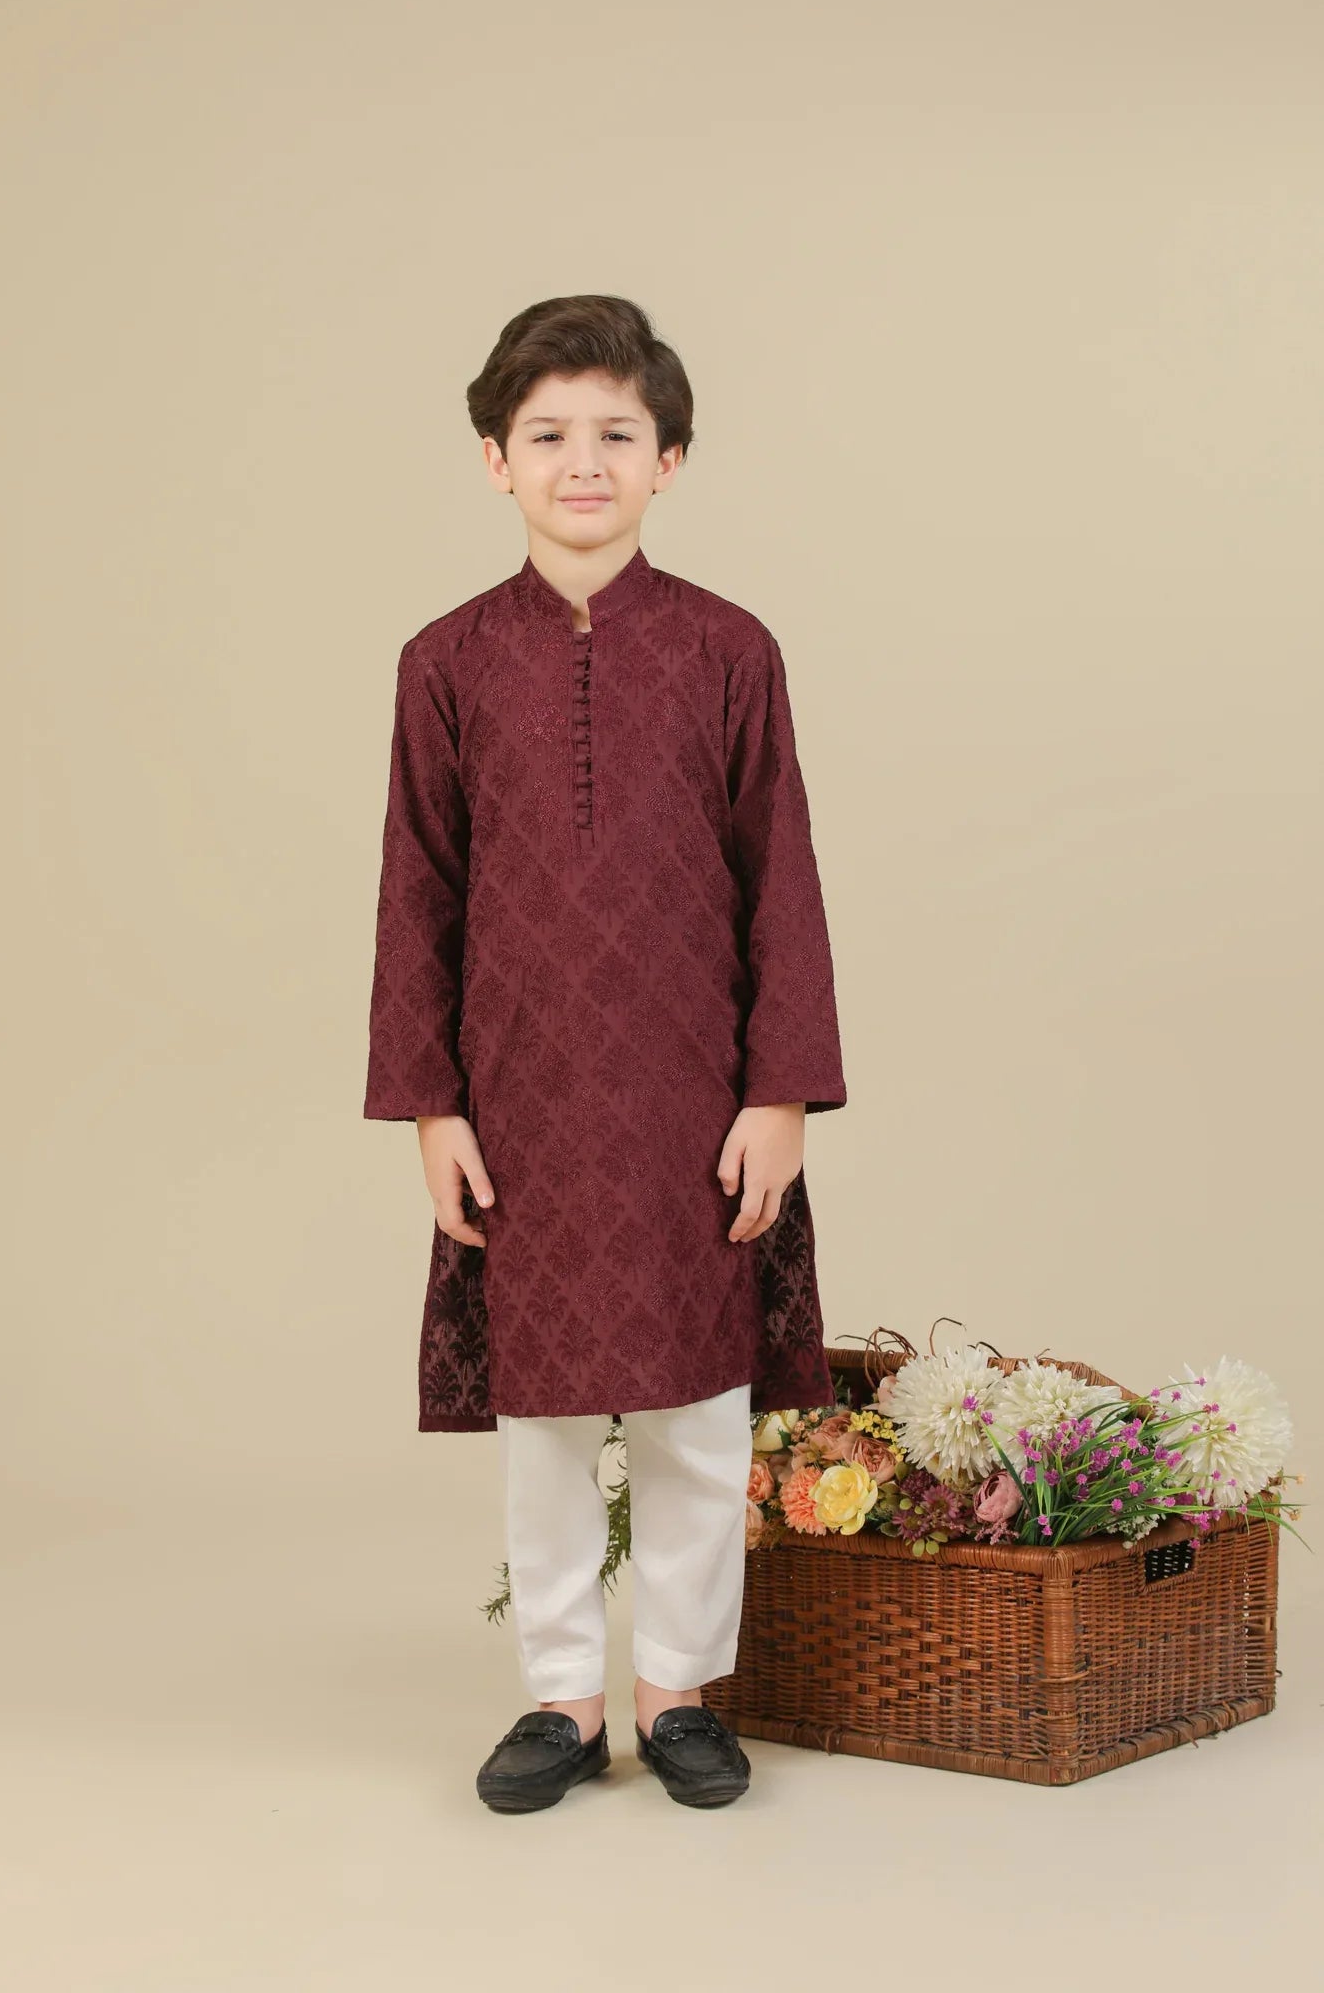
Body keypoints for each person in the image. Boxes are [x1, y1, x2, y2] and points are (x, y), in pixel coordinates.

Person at [363, 294, 848, 1810]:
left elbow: (782, 875)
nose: (585, 463)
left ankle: (679, 1693)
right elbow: (416, 886)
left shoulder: (726, 650)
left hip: (693, 1096)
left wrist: (779, 1092)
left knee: (702, 1417)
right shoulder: (444, 662)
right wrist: (430, 1105)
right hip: (521, 1103)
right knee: (549, 1423)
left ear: (671, 460)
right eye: (549, 435)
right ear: (493, 461)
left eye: (616, 436)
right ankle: (564, 1702)